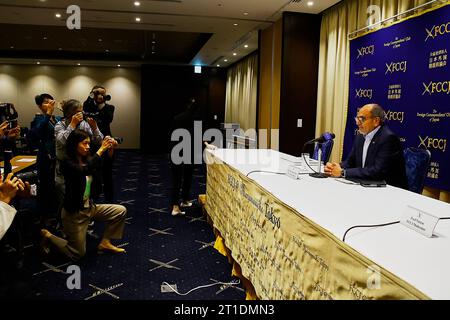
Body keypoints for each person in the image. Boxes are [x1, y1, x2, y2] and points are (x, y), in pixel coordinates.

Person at [40, 129, 126, 261]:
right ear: (74, 144)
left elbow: (103, 167)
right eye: (84, 143)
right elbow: (83, 171)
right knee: (77, 254)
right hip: (74, 214)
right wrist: (101, 150)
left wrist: (109, 151)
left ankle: (105, 242)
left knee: (120, 211)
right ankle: (48, 236)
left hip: (90, 208)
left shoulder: (89, 160)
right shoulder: (66, 163)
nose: (88, 147)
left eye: (89, 144)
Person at [324, 103, 408, 189]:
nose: (357, 123)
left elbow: (377, 171)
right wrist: (334, 168)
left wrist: (342, 173)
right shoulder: (360, 136)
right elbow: (350, 162)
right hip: (366, 184)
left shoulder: (388, 138)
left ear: (376, 121)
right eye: (357, 118)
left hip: (389, 190)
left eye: (362, 119)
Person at [54, 99, 104, 221]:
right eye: (78, 112)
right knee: (67, 198)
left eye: (82, 111)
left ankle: (85, 225)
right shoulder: (59, 125)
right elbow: (62, 141)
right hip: (65, 168)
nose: (82, 114)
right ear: (69, 113)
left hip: (82, 166)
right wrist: (72, 125)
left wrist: (95, 128)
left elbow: (99, 141)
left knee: (84, 196)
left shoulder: (84, 125)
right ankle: (64, 226)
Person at [29, 93, 61, 228]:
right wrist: (47, 115)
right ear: (39, 105)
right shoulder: (39, 119)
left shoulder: (58, 118)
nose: (49, 104)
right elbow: (37, 134)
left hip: (58, 155)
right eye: (45, 102)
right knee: (45, 187)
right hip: (46, 156)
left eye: (50, 101)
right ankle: (44, 216)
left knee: (57, 186)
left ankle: (56, 214)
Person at [83, 85, 116, 203]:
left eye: (103, 94)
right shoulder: (89, 106)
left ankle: (109, 201)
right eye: (98, 93)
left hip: (105, 141)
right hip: (90, 143)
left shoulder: (109, 107)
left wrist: (101, 105)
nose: (100, 96)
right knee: (91, 173)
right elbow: (85, 107)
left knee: (107, 173)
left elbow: (108, 119)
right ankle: (91, 201)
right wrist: (92, 94)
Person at [169, 97, 199, 216]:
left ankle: (178, 204)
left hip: (177, 151)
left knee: (178, 179)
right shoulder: (195, 119)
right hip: (188, 152)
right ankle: (179, 204)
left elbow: (171, 136)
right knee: (186, 178)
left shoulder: (177, 118)